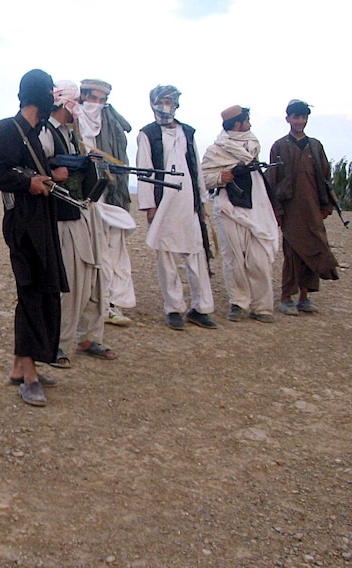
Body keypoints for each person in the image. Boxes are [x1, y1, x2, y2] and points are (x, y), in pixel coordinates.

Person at [0, 69, 68, 407]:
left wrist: (49, 177)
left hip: (42, 220)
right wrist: (29, 184)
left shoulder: (35, 132)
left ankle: (21, 367)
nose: (54, 98)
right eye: (50, 91)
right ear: (39, 95)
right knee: (31, 291)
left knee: (42, 289)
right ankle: (30, 374)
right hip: (22, 223)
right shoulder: (8, 129)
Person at [39, 80, 116, 368]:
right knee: (72, 284)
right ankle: (59, 344)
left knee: (95, 277)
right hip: (64, 216)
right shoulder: (46, 133)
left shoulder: (73, 135)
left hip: (84, 211)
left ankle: (89, 336)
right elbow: (39, 168)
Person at [136, 85, 218, 330]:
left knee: (196, 254)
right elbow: (144, 171)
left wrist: (202, 199)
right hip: (163, 204)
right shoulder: (147, 134)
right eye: (164, 100)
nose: (168, 105)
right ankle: (173, 308)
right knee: (167, 257)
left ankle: (201, 308)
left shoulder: (187, 131)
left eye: (172, 101)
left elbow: (195, 166)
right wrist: (149, 205)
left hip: (188, 203)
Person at [201, 105, 280, 323]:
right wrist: (221, 177)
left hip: (256, 206)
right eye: (246, 120)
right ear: (237, 123)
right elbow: (203, 177)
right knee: (234, 258)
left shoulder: (252, 144)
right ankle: (238, 302)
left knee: (259, 258)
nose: (249, 124)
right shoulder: (215, 151)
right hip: (228, 207)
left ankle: (262, 306)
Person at [265, 99, 339, 315]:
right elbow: (273, 180)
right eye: (296, 117)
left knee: (314, 250)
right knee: (292, 252)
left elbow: (325, 177)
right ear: (288, 118)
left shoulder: (315, 146)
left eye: (303, 117)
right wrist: (277, 210)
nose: (300, 121)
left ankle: (304, 297)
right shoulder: (279, 146)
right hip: (290, 209)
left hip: (313, 208)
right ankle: (286, 297)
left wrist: (326, 205)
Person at [77, 78, 136, 327]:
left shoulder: (111, 125)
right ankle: (91, 305)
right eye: (93, 99)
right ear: (83, 97)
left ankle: (112, 303)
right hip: (83, 200)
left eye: (102, 101)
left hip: (111, 197)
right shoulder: (73, 121)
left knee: (114, 250)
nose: (97, 105)